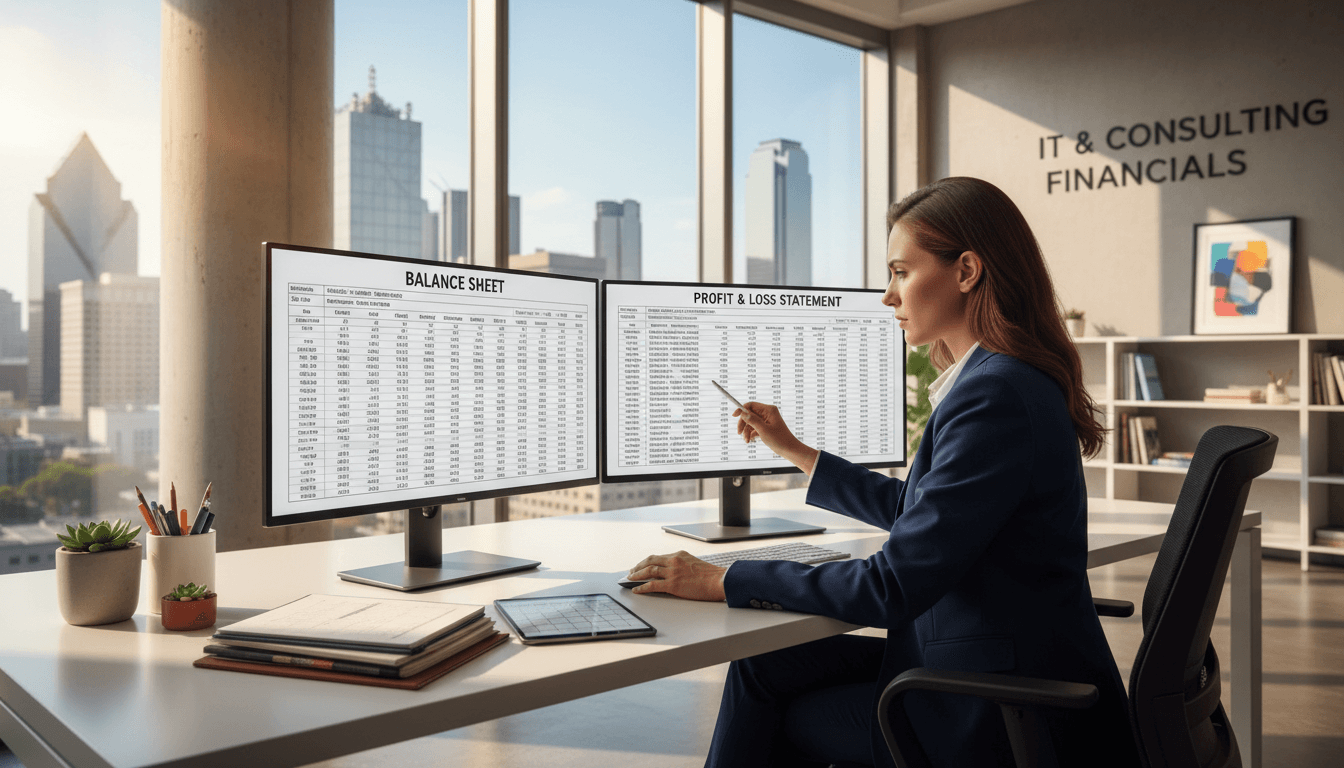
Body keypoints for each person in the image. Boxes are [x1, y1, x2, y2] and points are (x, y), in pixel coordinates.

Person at [625, 177, 1140, 767]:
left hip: (991, 705)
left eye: (901, 271)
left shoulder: (994, 395)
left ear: (967, 270)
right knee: (764, 665)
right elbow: (919, 511)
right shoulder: (1003, 378)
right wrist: (796, 449)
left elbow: (891, 586)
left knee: (782, 711)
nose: (888, 296)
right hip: (993, 660)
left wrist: (726, 578)